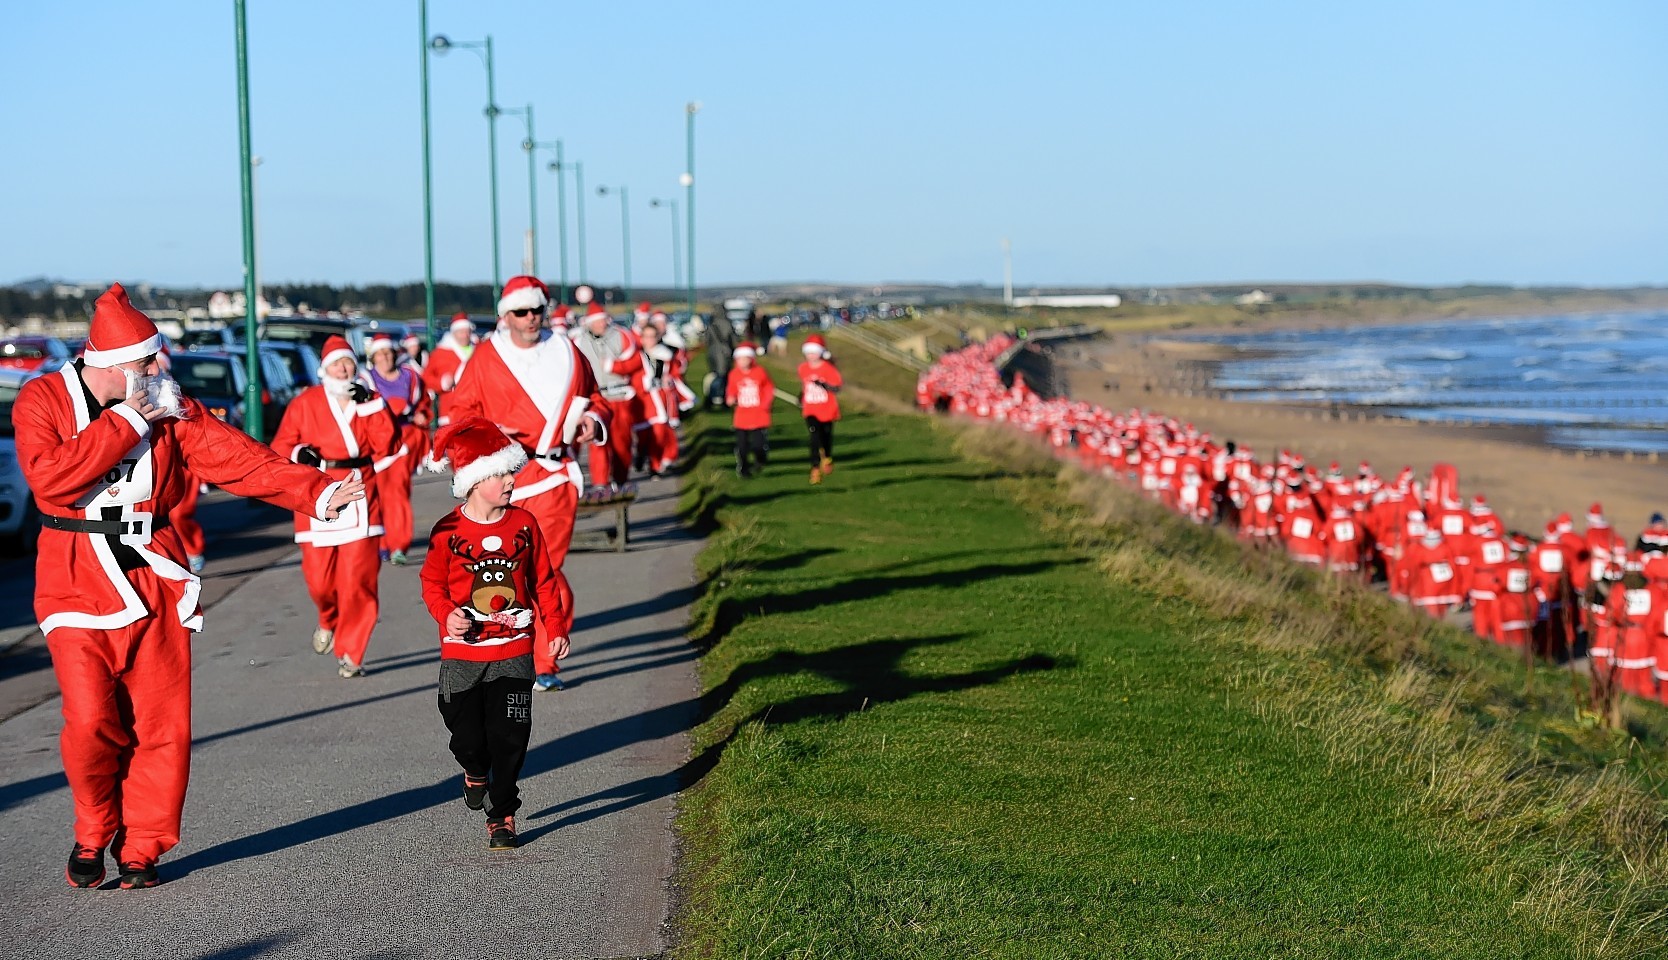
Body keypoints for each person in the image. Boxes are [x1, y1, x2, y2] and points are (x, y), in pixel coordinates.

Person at [15, 283, 362, 889]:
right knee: (90, 721)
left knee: (162, 724)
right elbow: (51, 480)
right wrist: (128, 421)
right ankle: (95, 829)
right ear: (114, 365)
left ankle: (143, 847)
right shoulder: (42, 399)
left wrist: (317, 491)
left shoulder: (169, 404)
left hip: (155, 575)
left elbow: (240, 460)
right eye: (147, 361)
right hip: (73, 578)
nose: (159, 368)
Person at [446, 275, 608, 694]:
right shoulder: (486, 357)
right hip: (503, 479)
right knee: (505, 571)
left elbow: (596, 398)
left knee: (544, 570)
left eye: (537, 309)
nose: (532, 318)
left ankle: (545, 659)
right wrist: (492, 434)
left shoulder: (567, 351)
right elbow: (459, 412)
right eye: (522, 311)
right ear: (506, 315)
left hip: (554, 476)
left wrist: (593, 421)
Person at [421, 417, 566, 850]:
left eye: (511, 473)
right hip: (462, 655)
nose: (510, 481)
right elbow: (432, 584)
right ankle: (474, 771)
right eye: (502, 474)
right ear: (475, 479)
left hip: (514, 651)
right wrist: (447, 614)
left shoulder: (524, 524)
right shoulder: (447, 532)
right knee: (466, 735)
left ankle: (502, 815)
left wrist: (554, 626)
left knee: (510, 737)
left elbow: (544, 580)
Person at [272, 335, 400, 679]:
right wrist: (301, 454)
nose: (344, 369)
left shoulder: (369, 400)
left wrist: (373, 405)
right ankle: (328, 616)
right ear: (324, 370)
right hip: (318, 490)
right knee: (319, 581)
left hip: (361, 488)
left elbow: (388, 445)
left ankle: (352, 652)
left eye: (349, 363)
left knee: (359, 579)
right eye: (337, 364)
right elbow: (281, 445)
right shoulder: (304, 403)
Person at [364, 333, 432, 564]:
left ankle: (398, 545)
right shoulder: (365, 379)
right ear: (373, 357)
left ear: (395, 353)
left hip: (402, 443)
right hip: (373, 445)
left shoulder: (410, 377)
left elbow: (424, 403)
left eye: (387, 352)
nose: (384, 357)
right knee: (374, 495)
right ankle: (379, 542)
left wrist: (422, 415)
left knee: (398, 494)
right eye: (379, 354)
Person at [572, 301, 644, 496]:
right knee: (597, 441)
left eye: (604, 320)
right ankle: (600, 483)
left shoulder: (622, 336)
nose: (602, 324)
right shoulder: (578, 340)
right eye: (598, 321)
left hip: (619, 395)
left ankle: (620, 480)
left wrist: (614, 367)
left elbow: (636, 361)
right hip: (595, 399)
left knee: (621, 441)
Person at [798, 334, 842, 485]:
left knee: (826, 437)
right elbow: (804, 387)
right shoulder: (803, 368)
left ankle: (827, 456)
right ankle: (815, 468)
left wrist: (824, 385)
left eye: (814, 352)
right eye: (808, 353)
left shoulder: (828, 369)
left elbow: (837, 388)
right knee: (814, 438)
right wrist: (800, 397)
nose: (811, 356)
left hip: (827, 410)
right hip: (810, 410)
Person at [726, 341, 774, 478]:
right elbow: (731, 390)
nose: (743, 361)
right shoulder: (734, 374)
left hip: (759, 414)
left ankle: (760, 459)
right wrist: (730, 398)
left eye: (745, 358)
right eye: (740, 359)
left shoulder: (759, 372)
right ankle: (744, 468)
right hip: (742, 416)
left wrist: (765, 404)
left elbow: (769, 388)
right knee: (742, 446)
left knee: (758, 444)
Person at [423, 312, 477, 425]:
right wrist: (441, 383)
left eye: (468, 331)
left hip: (476, 409)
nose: (465, 335)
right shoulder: (441, 353)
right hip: (450, 410)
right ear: (454, 333)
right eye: (461, 332)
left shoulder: (478, 350)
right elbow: (425, 379)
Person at [703, 309, 740, 409]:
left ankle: (714, 397)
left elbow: (706, 340)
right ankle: (717, 397)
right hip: (725, 353)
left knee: (716, 375)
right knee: (722, 376)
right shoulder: (728, 324)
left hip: (712, 353)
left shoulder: (711, 324)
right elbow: (734, 339)